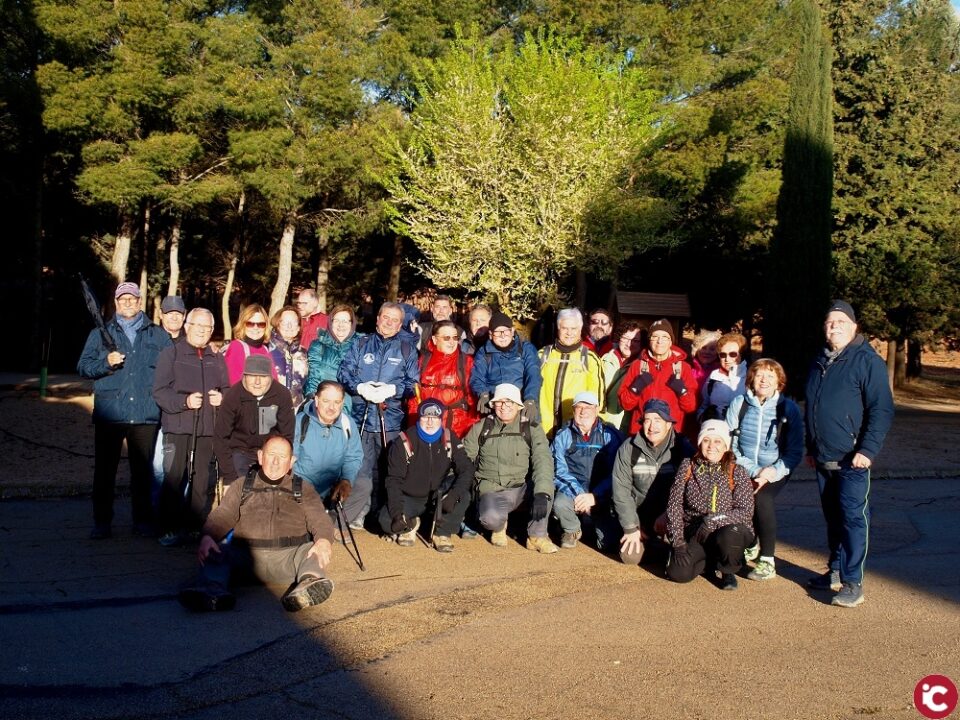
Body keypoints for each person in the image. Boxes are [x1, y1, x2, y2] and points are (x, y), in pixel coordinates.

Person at [177, 436, 335, 613]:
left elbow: (319, 519)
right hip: (246, 560)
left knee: (311, 550)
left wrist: (323, 540)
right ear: (260, 457)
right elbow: (222, 516)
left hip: (289, 559)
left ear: (291, 462)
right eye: (271, 455)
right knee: (217, 550)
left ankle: (308, 585)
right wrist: (207, 536)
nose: (275, 462)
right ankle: (212, 592)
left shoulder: (303, 488)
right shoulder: (241, 486)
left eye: (282, 457)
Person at [804, 300, 894, 608]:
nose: (835, 326)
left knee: (854, 518)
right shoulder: (820, 360)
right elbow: (813, 406)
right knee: (833, 517)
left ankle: (853, 582)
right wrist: (810, 445)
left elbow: (881, 408)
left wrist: (867, 449)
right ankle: (836, 570)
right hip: (823, 456)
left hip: (852, 458)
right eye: (830, 322)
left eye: (841, 321)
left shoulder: (867, 360)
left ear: (854, 326)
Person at [77, 281, 172, 539]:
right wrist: (105, 363)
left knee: (142, 473)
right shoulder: (99, 334)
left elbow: (170, 372)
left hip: (145, 414)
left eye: (132, 298)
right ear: (116, 302)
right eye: (122, 299)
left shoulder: (158, 335)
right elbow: (83, 367)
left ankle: (141, 521)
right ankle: (102, 522)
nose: (127, 302)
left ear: (140, 301)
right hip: (111, 414)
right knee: (104, 472)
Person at [338, 301, 420, 527]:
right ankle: (358, 514)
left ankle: (382, 514)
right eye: (386, 317)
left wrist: (393, 390)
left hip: (391, 420)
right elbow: (344, 373)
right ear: (378, 319)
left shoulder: (406, 349)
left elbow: (413, 385)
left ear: (400, 324)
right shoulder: (361, 343)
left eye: (395, 320)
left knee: (387, 470)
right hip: (361, 417)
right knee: (361, 470)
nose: (389, 323)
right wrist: (360, 387)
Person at [152, 308, 230, 545]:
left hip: (207, 427)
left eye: (207, 328)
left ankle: (195, 525)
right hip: (177, 427)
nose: (203, 332)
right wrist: (183, 402)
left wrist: (222, 398)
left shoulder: (216, 357)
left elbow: (227, 388)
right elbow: (159, 392)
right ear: (187, 326)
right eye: (198, 326)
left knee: (201, 479)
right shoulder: (171, 354)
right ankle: (168, 527)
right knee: (174, 476)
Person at [726, 359, 804, 581]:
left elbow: (794, 451)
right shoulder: (739, 404)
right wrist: (752, 470)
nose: (764, 380)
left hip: (776, 469)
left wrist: (770, 472)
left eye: (770, 376)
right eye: (759, 375)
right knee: (741, 500)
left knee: (762, 499)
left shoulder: (788, 409)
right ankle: (750, 542)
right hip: (744, 467)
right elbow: (730, 446)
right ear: (751, 379)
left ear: (779, 382)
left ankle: (767, 559)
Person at [462, 384, 557, 553]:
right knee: (489, 519)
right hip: (491, 488)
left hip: (522, 488)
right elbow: (464, 459)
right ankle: (499, 526)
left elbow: (543, 461)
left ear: (518, 405)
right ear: (493, 405)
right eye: (499, 402)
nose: (504, 406)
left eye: (509, 402)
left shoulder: (532, 428)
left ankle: (537, 536)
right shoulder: (481, 428)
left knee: (545, 487)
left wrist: (542, 493)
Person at [665, 420, 755, 590]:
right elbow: (674, 505)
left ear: (725, 446)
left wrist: (713, 520)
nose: (711, 446)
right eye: (706, 440)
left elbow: (745, 512)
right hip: (697, 531)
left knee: (731, 535)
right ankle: (709, 561)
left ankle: (728, 570)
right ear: (700, 443)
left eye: (717, 441)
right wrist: (677, 542)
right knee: (678, 573)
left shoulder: (737, 471)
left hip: (728, 531)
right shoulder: (688, 466)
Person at [380, 399, 475, 552]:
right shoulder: (403, 441)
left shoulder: (449, 438)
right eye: (425, 417)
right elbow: (393, 480)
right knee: (386, 521)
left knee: (462, 496)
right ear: (419, 418)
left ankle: (441, 533)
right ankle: (410, 524)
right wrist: (397, 514)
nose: (430, 422)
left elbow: (467, 469)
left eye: (435, 418)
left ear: (441, 419)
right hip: (409, 496)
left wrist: (453, 495)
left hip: (438, 496)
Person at [612, 399, 694, 566]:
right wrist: (631, 527)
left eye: (658, 420)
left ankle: (661, 548)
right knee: (629, 556)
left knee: (680, 563)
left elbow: (692, 490)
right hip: (639, 515)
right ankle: (650, 544)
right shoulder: (629, 448)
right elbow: (621, 491)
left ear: (669, 424)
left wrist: (669, 515)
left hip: (672, 517)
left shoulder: (683, 448)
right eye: (647, 420)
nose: (651, 426)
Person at [551, 392, 622, 551]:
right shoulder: (563, 435)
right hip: (573, 491)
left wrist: (595, 496)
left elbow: (617, 472)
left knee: (608, 545)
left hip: (601, 493)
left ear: (596, 410)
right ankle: (572, 528)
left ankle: (590, 524)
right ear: (573, 410)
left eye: (588, 407)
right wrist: (579, 494)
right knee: (560, 504)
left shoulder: (610, 435)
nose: (583, 411)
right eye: (579, 407)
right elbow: (557, 469)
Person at [213, 354, 295, 488]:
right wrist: (229, 477)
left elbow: (287, 436)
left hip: (270, 451)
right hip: (240, 451)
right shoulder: (233, 396)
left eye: (262, 377)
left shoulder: (282, 395)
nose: (257, 382)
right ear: (244, 376)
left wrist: (281, 463)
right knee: (241, 490)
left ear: (270, 377)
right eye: (252, 376)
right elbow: (220, 437)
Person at [292, 381, 365, 525]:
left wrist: (346, 480)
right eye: (326, 401)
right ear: (317, 400)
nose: (331, 407)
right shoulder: (300, 422)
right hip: (303, 485)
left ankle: (334, 524)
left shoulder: (347, 424)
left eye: (337, 402)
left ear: (342, 403)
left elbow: (353, 456)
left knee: (364, 485)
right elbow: (290, 459)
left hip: (332, 487)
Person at [618, 318, 698, 436]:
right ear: (649, 340)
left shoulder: (682, 368)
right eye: (655, 337)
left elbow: (691, 407)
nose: (659, 341)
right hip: (641, 434)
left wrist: (682, 391)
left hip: (670, 436)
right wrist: (636, 388)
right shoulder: (638, 365)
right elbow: (625, 404)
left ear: (671, 341)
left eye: (665, 337)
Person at [538, 308, 605, 439]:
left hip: (574, 433)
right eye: (564, 328)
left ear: (580, 330)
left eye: (574, 328)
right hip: (542, 431)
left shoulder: (590, 359)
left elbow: (598, 401)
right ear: (558, 328)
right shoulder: (542, 355)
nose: (569, 333)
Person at [408, 320, 479, 438]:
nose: (452, 342)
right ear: (435, 340)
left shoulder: (466, 362)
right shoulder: (422, 361)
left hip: (458, 428)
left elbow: (473, 400)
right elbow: (415, 397)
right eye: (446, 338)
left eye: (455, 338)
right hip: (428, 426)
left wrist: (470, 433)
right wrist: (413, 424)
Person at [469, 311, 542, 417]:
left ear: (512, 331)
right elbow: (477, 377)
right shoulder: (484, 352)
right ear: (490, 334)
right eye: (498, 332)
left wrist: (530, 398)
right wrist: (482, 393)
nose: (502, 336)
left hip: (521, 405)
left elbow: (533, 375)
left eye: (506, 331)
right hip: (495, 407)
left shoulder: (526, 349)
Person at [304, 303, 363, 401]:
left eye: (345, 321)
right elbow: (313, 377)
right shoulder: (318, 345)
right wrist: (312, 399)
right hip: (325, 403)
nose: (341, 325)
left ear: (352, 324)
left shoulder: (361, 345)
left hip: (352, 406)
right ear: (330, 323)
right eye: (337, 320)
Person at [600, 321, 643, 433]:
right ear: (619, 338)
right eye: (625, 338)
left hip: (628, 426)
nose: (629, 344)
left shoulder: (643, 366)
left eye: (635, 341)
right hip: (603, 422)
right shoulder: (605, 360)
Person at [698, 332, 748, 421]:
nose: (727, 359)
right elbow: (703, 406)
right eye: (723, 355)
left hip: (743, 432)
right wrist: (703, 417)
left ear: (741, 354)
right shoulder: (714, 376)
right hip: (717, 431)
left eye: (733, 354)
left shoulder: (751, 377)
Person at [222, 303, 276, 386]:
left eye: (261, 324)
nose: (255, 328)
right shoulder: (237, 347)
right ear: (243, 325)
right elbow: (234, 384)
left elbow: (274, 381)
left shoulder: (265, 349)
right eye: (250, 324)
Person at [268, 305, 308, 406]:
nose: (289, 326)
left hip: (296, 408)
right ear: (277, 324)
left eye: (294, 322)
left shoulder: (303, 352)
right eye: (285, 322)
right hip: (269, 407)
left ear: (299, 327)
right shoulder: (266, 350)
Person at [690, 329, 721, 398]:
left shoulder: (721, 373)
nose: (707, 352)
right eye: (703, 348)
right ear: (696, 350)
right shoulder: (688, 370)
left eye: (712, 349)